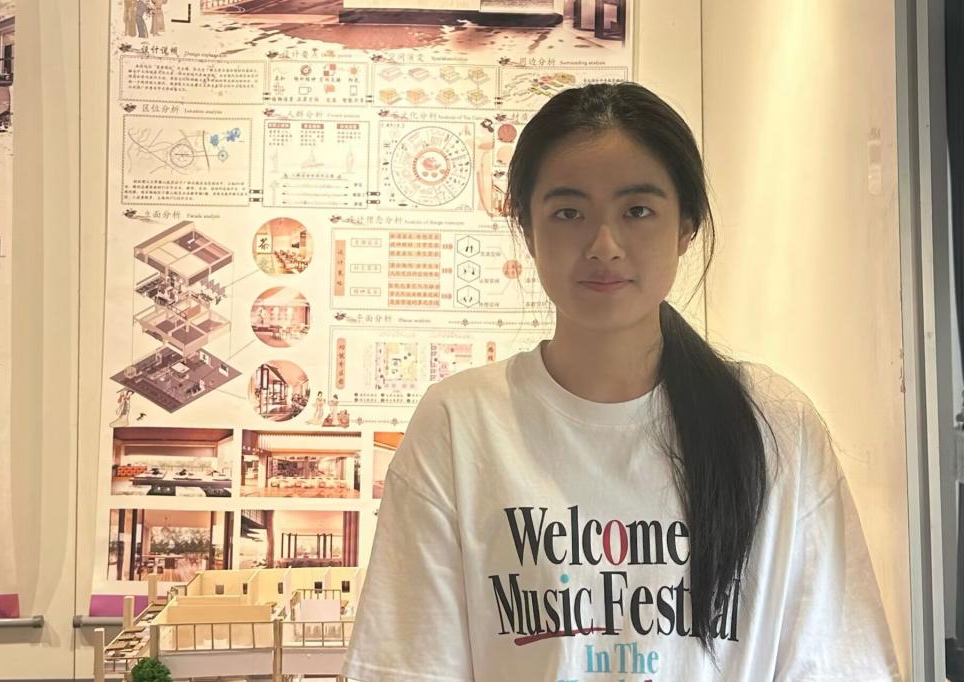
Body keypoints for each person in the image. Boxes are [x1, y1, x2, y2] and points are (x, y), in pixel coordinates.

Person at [342, 83, 901, 681]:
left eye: (637, 211)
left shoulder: (775, 424)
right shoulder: (461, 423)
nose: (604, 245)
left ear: (686, 226)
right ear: (527, 230)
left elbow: (840, 664)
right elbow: (408, 667)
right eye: (568, 213)